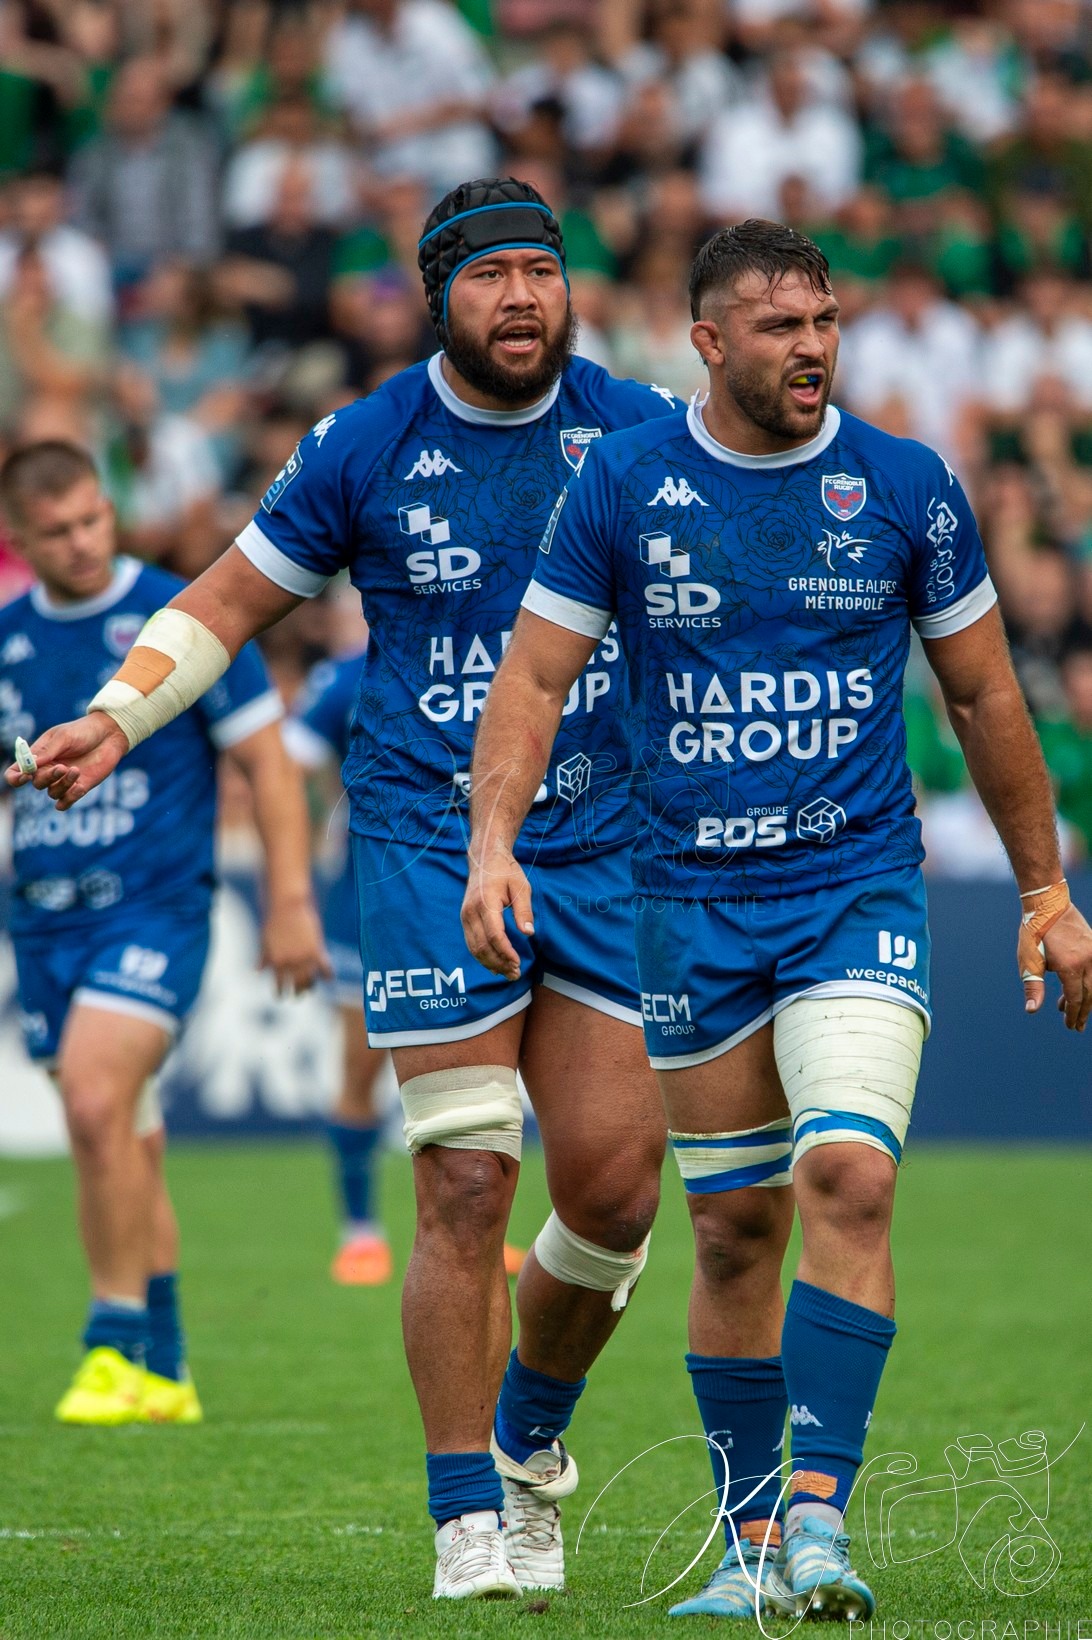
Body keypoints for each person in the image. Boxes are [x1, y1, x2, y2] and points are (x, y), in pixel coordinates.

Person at [6, 179, 678, 1601]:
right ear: (440, 295)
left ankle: (528, 1443)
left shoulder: (636, 432)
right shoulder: (368, 443)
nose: (521, 299)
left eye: (540, 275)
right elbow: (225, 602)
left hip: (608, 838)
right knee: (465, 1172)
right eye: (489, 277)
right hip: (430, 834)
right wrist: (118, 715)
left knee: (617, 1195)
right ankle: (463, 1523)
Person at [460, 219, 1092, 1621]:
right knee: (735, 1230)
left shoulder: (905, 486)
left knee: (850, 1180)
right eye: (779, 326)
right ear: (705, 341)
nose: (812, 348)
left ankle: (820, 1524)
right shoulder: (623, 481)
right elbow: (535, 677)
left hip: (854, 889)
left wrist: (1046, 888)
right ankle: (748, 1553)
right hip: (686, 907)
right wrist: (491, 845)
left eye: (825, 321)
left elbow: (986, 698)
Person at [0, 440, 328, 1426]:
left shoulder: (180, 618)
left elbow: (269, 763)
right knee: (123, 1134)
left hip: (155, 907)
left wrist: (290, 898)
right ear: (20, 540)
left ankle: (110, 1340)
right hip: (44, 921)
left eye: (94, 517)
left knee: (99, 1104)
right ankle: (168, 1363)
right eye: (57, 530)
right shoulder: (8, 638)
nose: (83, 540)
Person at [285, 644, 529, 1288]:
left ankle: (488, 1233)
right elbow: (294, 759)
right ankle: (360, 1233)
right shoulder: (345, 675)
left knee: (492, 1074)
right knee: (360, 1066)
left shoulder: (506, 659)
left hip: (481, 881)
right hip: (378, 891)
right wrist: (333, 828)